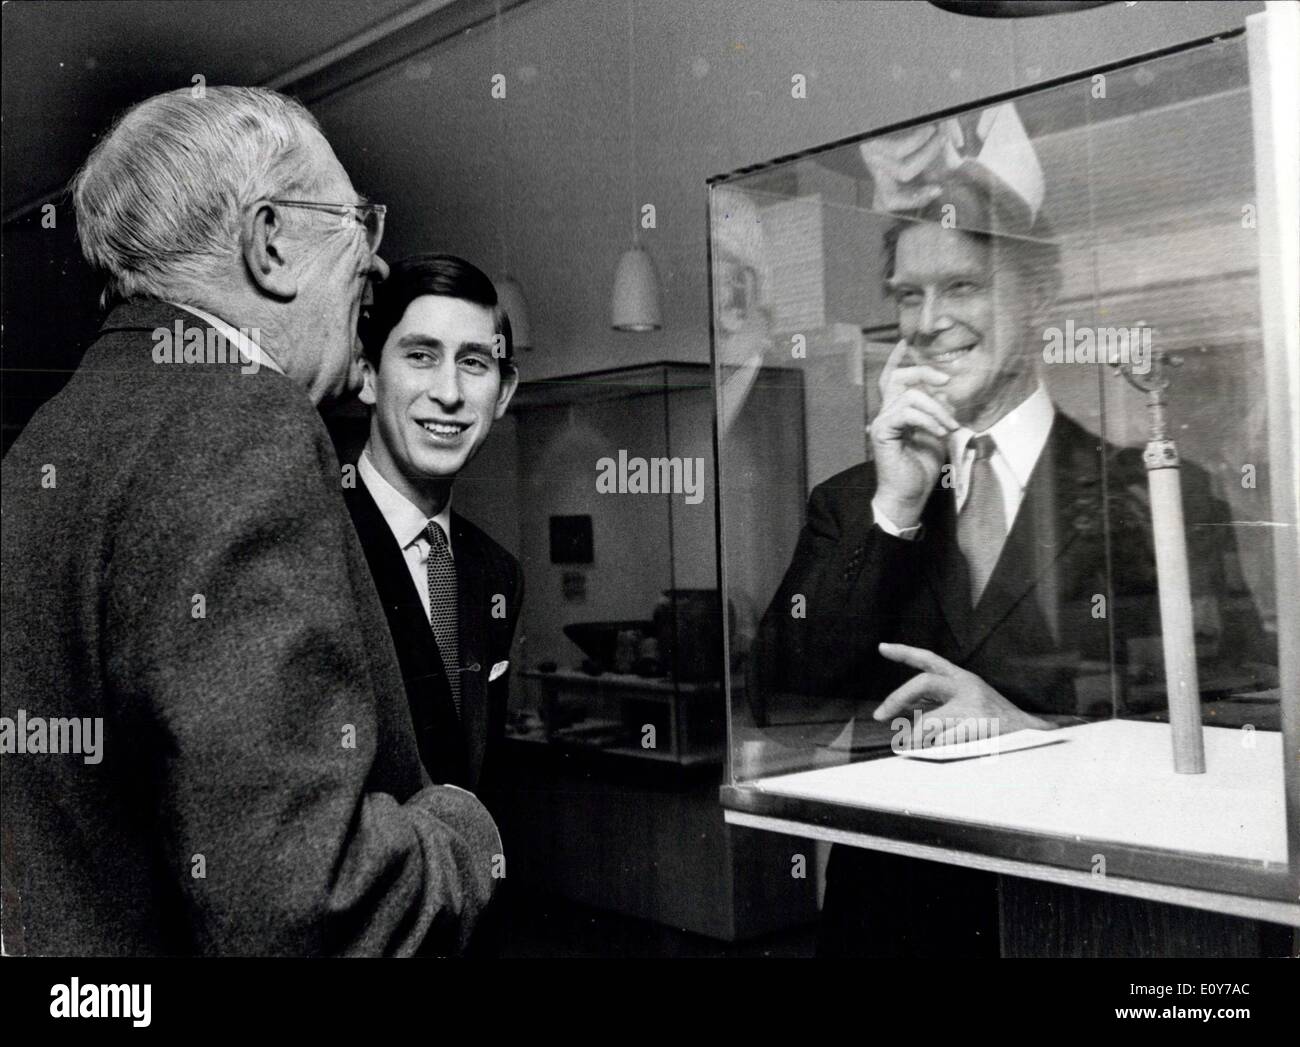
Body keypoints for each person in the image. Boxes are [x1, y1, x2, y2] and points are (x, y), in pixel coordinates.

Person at [0, 87, 501, 956]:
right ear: (270, 243)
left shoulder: (51, 435)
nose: (376, 267)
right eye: (357, 223)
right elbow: (304, 902)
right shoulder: (244, 426)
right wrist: (465, 836)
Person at [751, 125, 1262, 957]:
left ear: (1040, 292)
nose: (929, 321)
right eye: (908, 295)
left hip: (1088, 921)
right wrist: (894, 511)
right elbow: (785, 705)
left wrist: (1033, 731)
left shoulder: (1151, 490)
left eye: (961, 285)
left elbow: (1233, 724)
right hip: (892, 924)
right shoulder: (855, 501)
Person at [345, 254, 523, 812]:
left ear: (503, 391)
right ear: (368, 374)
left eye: (474, 363)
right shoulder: (313, 544)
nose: (449, 392)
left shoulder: (496, 572)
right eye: (421, 356)